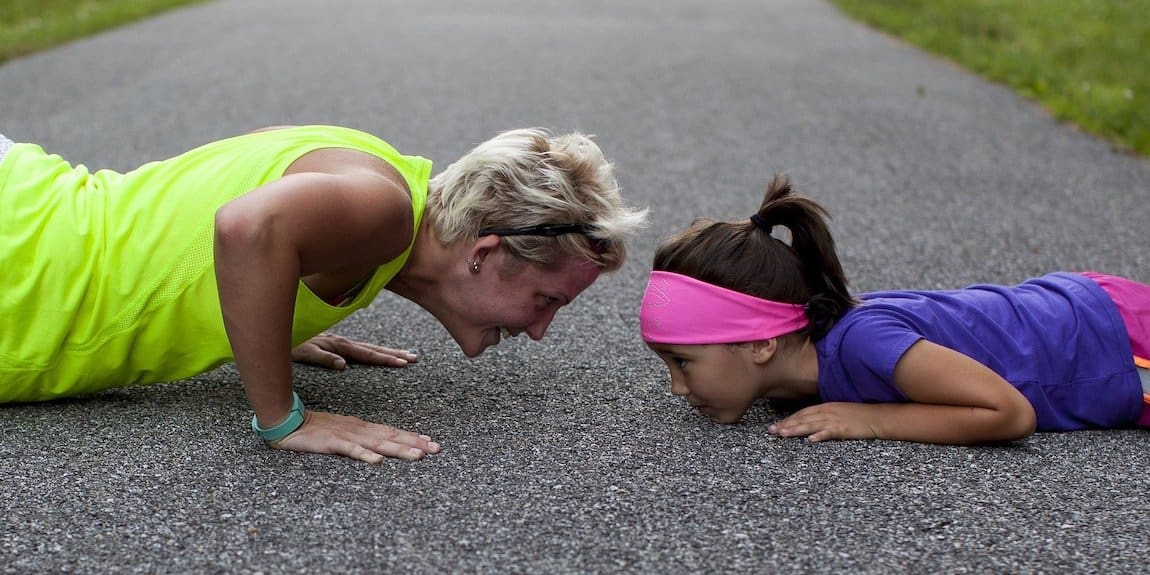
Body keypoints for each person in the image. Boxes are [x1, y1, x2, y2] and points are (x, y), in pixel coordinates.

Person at [0, 125, 647, 462]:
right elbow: (245, 226)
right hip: (21, 266)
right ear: (485, 253)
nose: (540, 330)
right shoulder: (384, 210)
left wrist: (268, 313)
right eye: (546, 300)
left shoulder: (381, 179)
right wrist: (285, 416)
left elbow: (219, 196)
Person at [639, 174, 1150, 445]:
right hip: (1088, 310)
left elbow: (1009, 413)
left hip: (1115, 342)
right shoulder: (794, 373)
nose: (677, 387)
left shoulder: (863, 342)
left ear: (760, 342)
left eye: (683, 362)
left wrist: (874, 420)